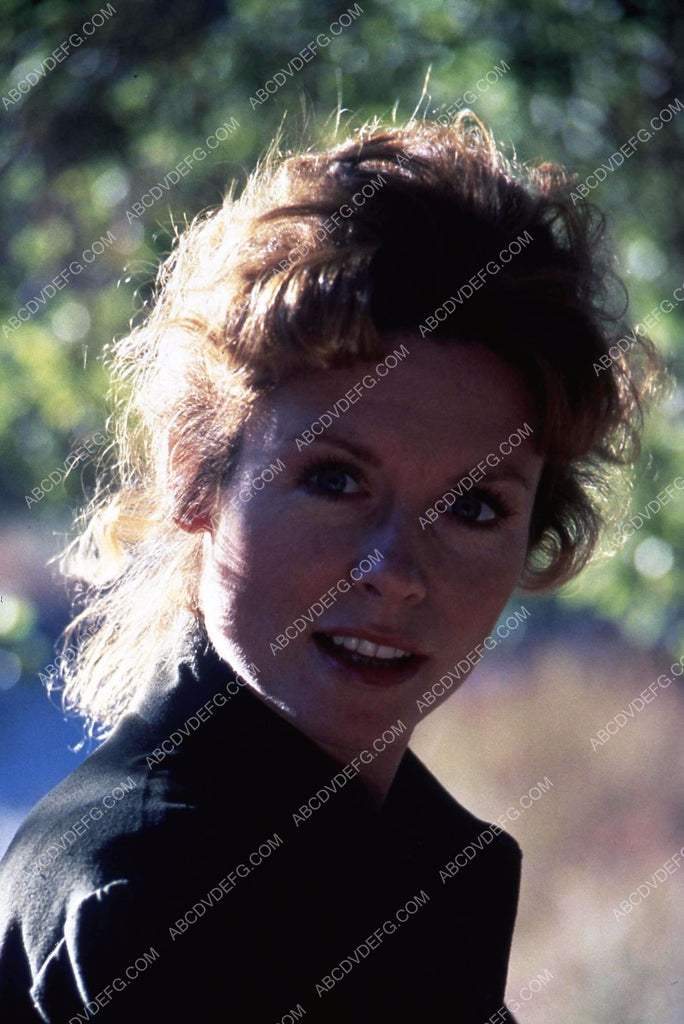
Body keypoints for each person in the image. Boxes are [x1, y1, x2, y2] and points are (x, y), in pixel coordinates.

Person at [0, 112, 663, 1023]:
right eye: (335, 479)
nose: (396, 570)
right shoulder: (168, 898)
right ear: (194, 473)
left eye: (474, 507)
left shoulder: (391, 859)